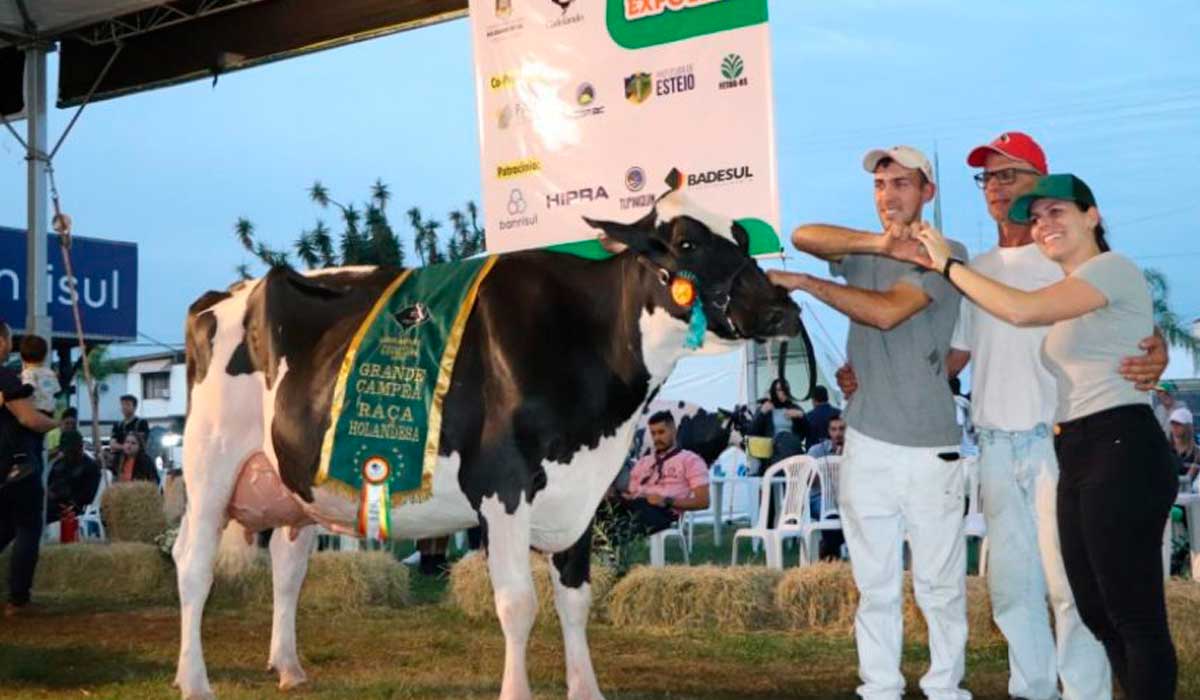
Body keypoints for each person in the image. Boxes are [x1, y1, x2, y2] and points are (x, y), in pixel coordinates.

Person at [838, 132, 1169, 700]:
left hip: (1060, 443)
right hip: (992, 442)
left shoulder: (1066, 258)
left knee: (1072, 590)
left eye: (1011, 175)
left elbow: (1123, 319)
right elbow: (950, 358)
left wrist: (1156, 348)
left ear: (1044, 187)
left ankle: (1085, 693)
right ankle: (1031, 689)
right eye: (989, 177)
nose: (997, 186)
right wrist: (869, 373)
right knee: (1013, 588)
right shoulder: (974, 269)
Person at [915, 173, 1178, 700]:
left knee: (1132, 615)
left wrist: (947, 263)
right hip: (1079, 449)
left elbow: (1020, 310)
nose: (1044, 225)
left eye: (1057, 212)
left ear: (1092, 215)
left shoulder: (1112, 267)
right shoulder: (1077, 286)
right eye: (1036, 218)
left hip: (1121, 445)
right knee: (1098, 611)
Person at [770, 145, 971, 700]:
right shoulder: (864, 250)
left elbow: (886, 312)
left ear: (928, 192)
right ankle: (879, 686)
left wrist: (808, 284)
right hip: (866, 442)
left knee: (939, 584)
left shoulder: (947, 252)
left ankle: (944, 688)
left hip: (931, 447)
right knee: (875, 582)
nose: (889, 195)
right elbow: (806, 233)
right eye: (881, 185)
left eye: (902, 184)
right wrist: (875, 242)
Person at [0, 322, 59, 616]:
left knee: (5, 527)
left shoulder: (18, 377)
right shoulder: (7, 377)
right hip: (16, 463)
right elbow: (29, 419)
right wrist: (55, 424)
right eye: (9, 340)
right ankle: (19, 600)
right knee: (27, 525)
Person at [616, 411, 710, 538]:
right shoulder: (645, 461)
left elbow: (703, 502)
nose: (656, 438)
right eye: (653, 433)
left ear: (674, 431)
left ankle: (614, 547)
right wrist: (621, 494)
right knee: (600, 508)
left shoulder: (690, 460)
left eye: (661, 432)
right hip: (635, 505)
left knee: (625, 519)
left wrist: (666, 501)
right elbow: (631, 490)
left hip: (663, 511)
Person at [807, 415, 846, 561]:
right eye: (834, 429)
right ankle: (831, 556)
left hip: (845, 500)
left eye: (842, 429)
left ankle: (828, 552)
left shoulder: (855, 452)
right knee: (831, 511)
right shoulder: (817, 451)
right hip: (819, 498)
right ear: (828, 432)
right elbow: (808, 482)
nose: (838, 433)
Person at [45, 430, 101, 524]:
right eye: (66, 451)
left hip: (73, 508)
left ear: (80, 447)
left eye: (71, 450)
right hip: (53, 502)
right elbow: (49, 484)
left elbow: (88, 496)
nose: (68, 454)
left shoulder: (90, 467)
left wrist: (65, 499)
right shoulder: (59, 463)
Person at [749, 378, 808, 462]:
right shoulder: (766, 407)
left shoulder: (794, 408)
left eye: (785, 389)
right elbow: (752, 431)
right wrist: (762, 413)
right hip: (772, 454)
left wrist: (801, 416)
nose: (783, 392)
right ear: (774, 391)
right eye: (779, 390)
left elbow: (808, 430)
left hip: (792, 452)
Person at [19, 334, 59, 417]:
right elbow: (56, 391)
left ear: (22, 357)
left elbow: (28, 389)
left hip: (35, 411)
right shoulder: (50, 373)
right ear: (44, 356)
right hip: (50, 411)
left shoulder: (27, 373)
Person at [803, 385, 841, 449]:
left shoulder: (808, 417)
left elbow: (801, 436)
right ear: (827, 397)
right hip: (836, 454)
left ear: (814, 400)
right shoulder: (840, 413)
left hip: (814, 456)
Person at [1168, 406, 1198, 481]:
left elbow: (1190, 480)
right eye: (1172, 423)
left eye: (1178, 424)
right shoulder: (1164, 450)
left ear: (1187, 427)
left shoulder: (1196, 453)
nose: (1174, 427)